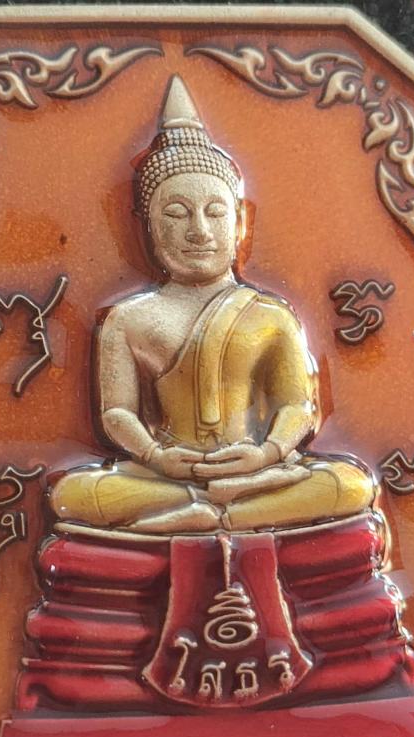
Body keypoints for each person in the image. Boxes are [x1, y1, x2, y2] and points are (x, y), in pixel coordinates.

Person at [51, 75, 375, 535]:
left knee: (349, 483)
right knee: (73, 494)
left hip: (256, 472)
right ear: (148, 226)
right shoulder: (129, 319)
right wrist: (156, 455)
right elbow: (116, 413)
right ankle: (209, 507)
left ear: (238, 223)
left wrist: (265, 454)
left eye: (215, 212)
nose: (198, 231)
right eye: (176, 214)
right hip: (167, 474)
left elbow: (297, 407)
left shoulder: (270, 315)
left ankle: (218, 515)